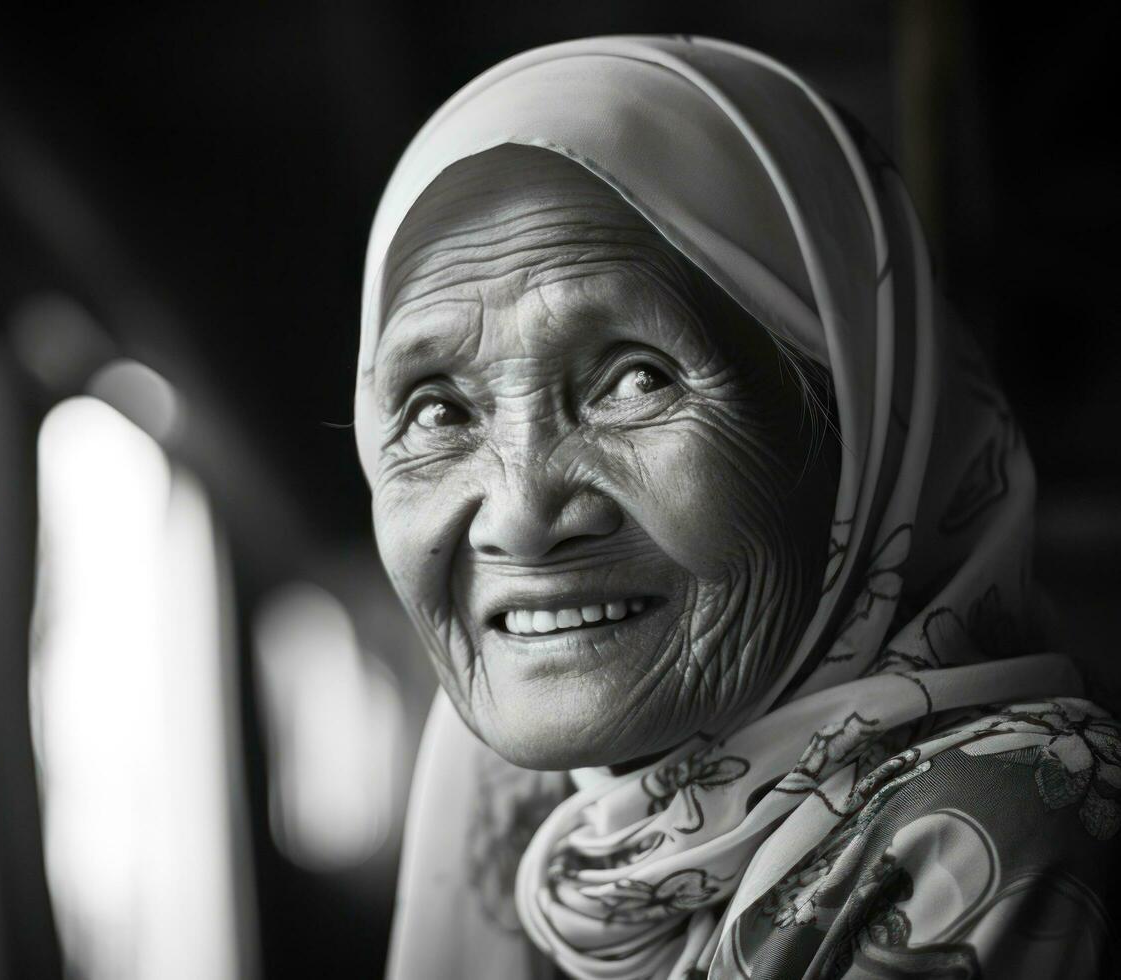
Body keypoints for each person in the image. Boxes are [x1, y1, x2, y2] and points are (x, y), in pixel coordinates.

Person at [353, 36, 1117, 979]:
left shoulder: (1003, 819)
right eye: (438, 409)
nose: (519, 511)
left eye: (636, 380)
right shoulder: (521, 798)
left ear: (862, 423)